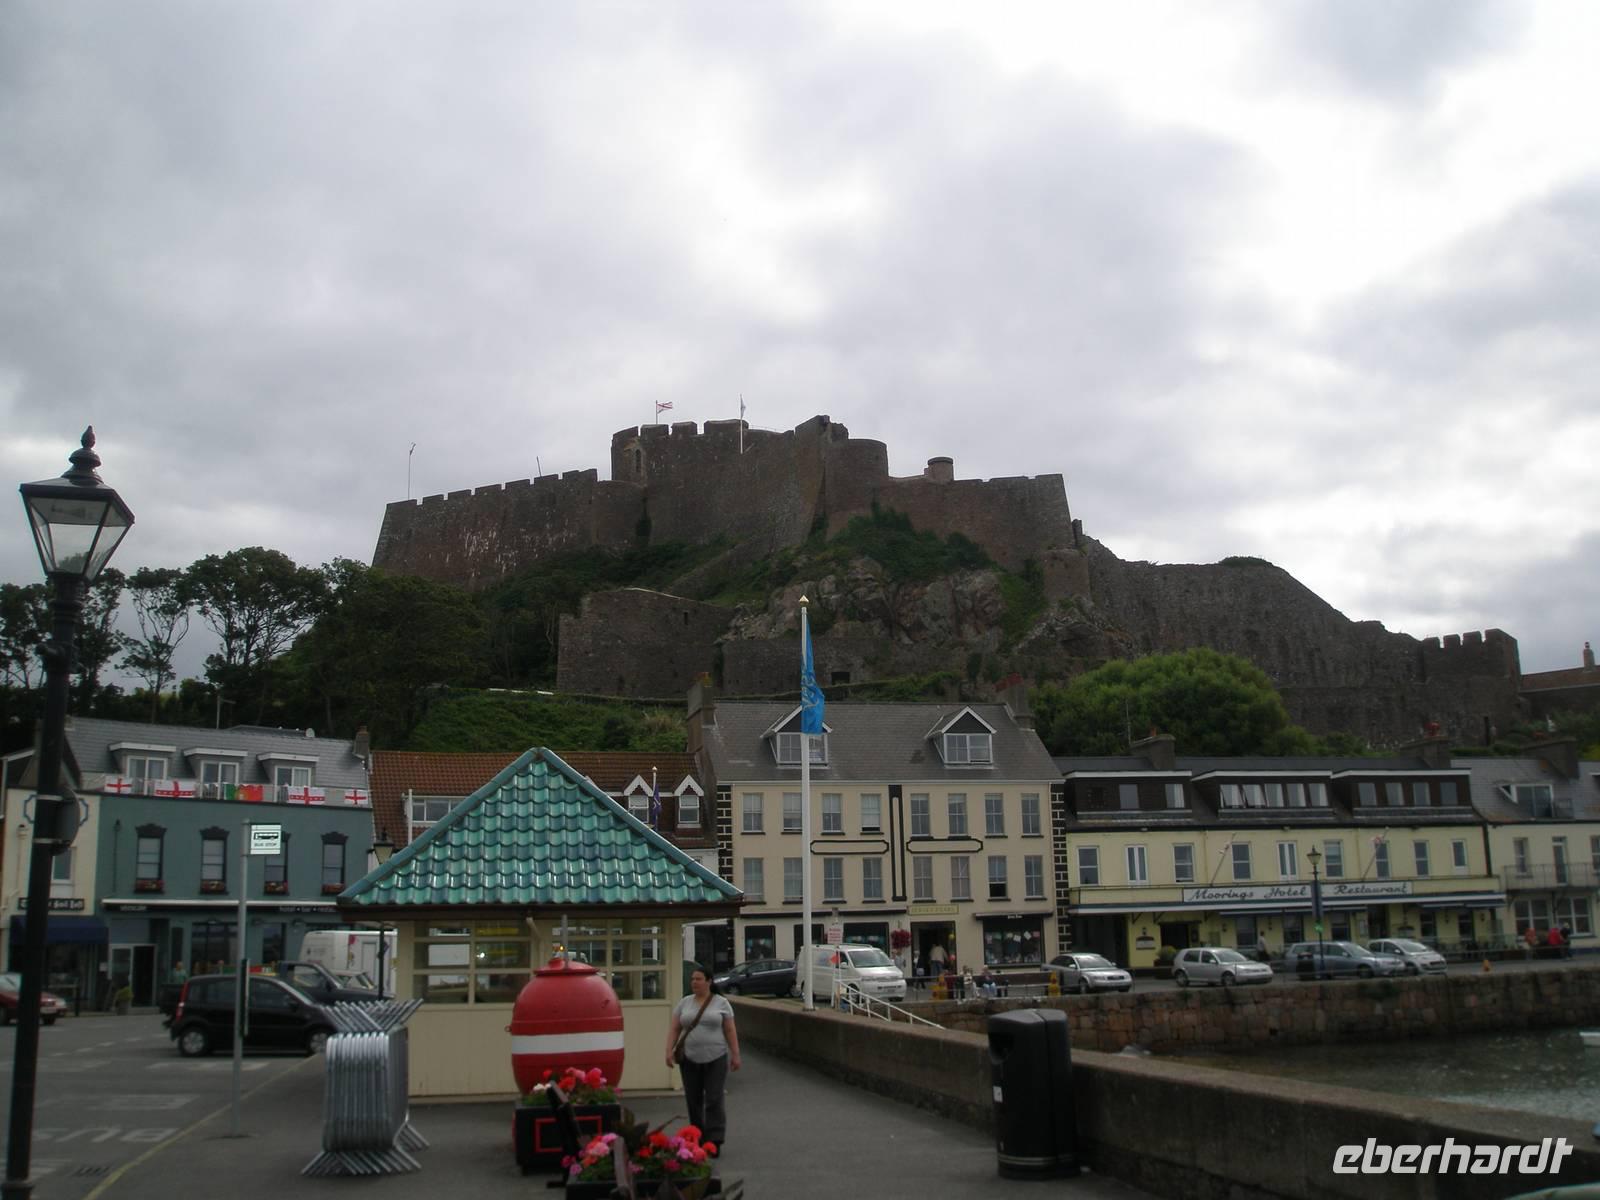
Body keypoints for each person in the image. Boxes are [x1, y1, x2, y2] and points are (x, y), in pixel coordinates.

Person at [665, 965, 740, 1155]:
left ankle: (714, 1140)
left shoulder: (721, 1003)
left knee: (714, 1098)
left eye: (698, 979)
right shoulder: (684, 1003)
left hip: (716, 1056)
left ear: (709, 981)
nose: (694, 983)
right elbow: (675, 1028)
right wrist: (668, 1050)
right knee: (693, 1099)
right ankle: (697, 1137)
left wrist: (735, 1054)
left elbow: (730, 1030)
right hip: (689, 1058)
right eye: (692, 979)